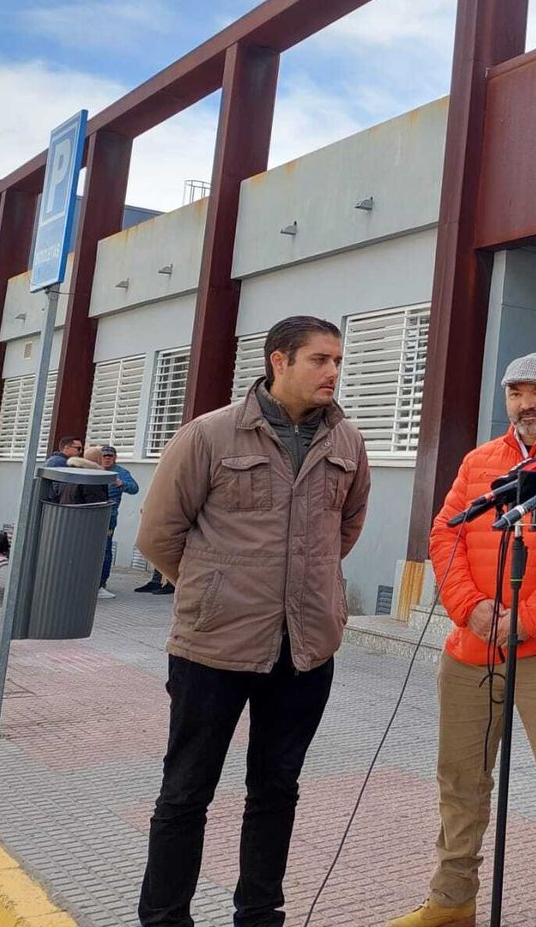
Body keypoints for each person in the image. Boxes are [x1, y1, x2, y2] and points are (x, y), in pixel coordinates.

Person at [134, 315, 371, 927]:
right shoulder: (209, 435)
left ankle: (260, 914)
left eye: (338, 360)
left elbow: (345, 529)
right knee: (186, 791)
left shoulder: (347, 442)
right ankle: (164, 918)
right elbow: (159, 534)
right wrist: (217, 590)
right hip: (213, 649)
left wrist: (302, 590)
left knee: (276, 789)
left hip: (305, 650)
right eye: (320, 359)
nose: (333, 372)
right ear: (279, 361)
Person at [388, 353, 536, 927]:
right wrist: (472, 608)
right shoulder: (479, 462)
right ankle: (452, 899)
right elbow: (446, 534)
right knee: (460, 782)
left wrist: (524, 619)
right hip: (471, 649)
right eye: (516, 393)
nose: (526, 404)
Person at [93, 444, 139, 600]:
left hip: (109, 517)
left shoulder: (120, 472)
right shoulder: (94, 469)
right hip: (91, 515)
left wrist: (121, 484)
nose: (106, 459)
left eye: (109, 456)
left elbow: (134, 488)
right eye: (104, 456)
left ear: (115, 458)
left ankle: (101, 582)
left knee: (105, 549)